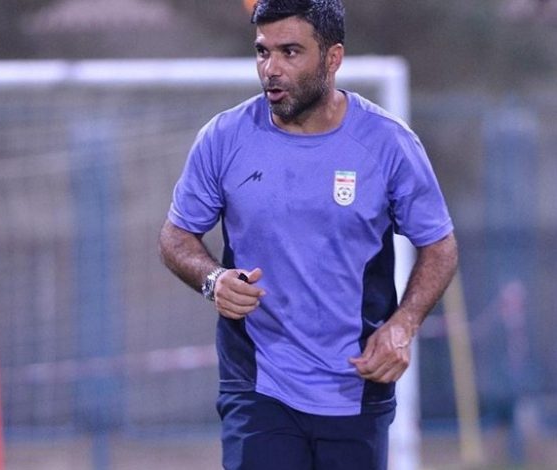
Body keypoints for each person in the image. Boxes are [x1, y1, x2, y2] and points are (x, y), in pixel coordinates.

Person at [158, 1, 458, 469]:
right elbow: (176, 237)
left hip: (357, 385)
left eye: (290, 52)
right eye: (263, 51)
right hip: (258, 385)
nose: (271, 69)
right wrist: (213, 280)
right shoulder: (224, 138)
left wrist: (403, 324)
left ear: (332, 58)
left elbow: (439, 245)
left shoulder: (388, 144)